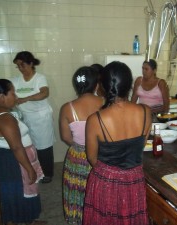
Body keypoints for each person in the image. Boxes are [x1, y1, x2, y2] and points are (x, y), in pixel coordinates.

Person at [83, 61, 152, 225]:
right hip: (134, 178)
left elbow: (92, 158)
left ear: (103, 87)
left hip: (106, 181)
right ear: (129, 85)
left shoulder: (96, 119)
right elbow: (140, 147)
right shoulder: (145, 111)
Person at [0, 79, 46, 225]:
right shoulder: (5, 119)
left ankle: (23, 220)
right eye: (12, 93)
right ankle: (24, 220)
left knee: (12, 192)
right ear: (1, 97)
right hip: (14, 160)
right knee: (21, 191)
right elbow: (17, 147)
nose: (16, 97)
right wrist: (30, 169)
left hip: (3, 156)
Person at [59, 66, 104, 224]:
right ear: (96, 85)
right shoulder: (106, 103)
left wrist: (80, 145)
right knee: (100, 193)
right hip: (102, 156)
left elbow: (65, 137)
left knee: (77, 192)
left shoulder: (67, 108)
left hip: (77, 157)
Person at [11, 51, 55, 183]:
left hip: (41, 118)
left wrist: (25, 98)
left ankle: (48, 173)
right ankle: (34, 171)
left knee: (44, 147)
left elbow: (44, 93)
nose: (20, 68)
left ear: (31, 63)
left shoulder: (39, 78)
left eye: (22, 64)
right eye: (18, 65)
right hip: (24, 118)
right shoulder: (15, 80)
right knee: (29, 146)